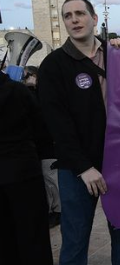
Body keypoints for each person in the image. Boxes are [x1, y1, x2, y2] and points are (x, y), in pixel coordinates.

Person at [38, 0, 120, 265]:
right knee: (75, 238)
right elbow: (57, 123)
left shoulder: (118, 55)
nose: (74, 19)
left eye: (80, 13)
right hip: (77, 168)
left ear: (94, 19)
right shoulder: (53, 65)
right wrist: (84, 167)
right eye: (67, 15)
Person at [0, 68, 53, 265]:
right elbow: (41, 130)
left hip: (18, 169)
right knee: (33, 234)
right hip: (24, 171)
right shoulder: (19, 92)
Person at [24, 65, 61, 228]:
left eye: (28, 76)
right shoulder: (27, 94)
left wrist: (33, 88)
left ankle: (58, 211)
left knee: (51, 178)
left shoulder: (43, 92)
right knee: (47, 180)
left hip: (49, 144)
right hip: (38, 145)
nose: (25, 80)